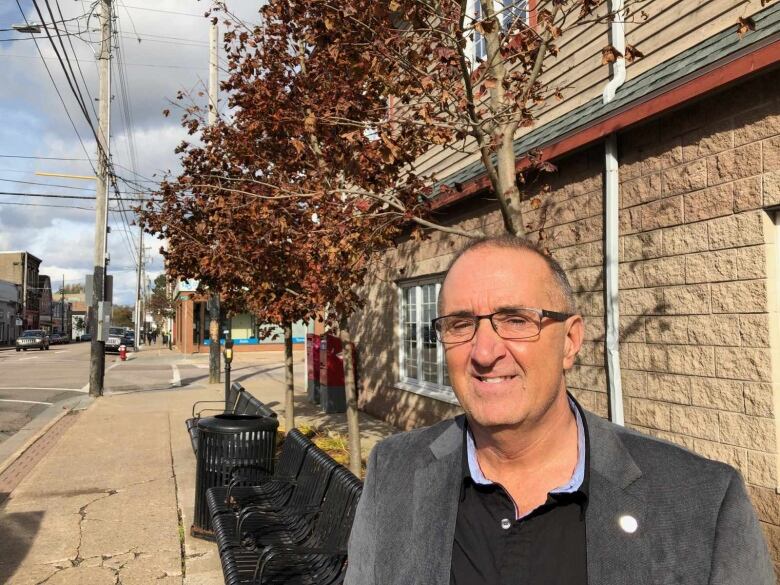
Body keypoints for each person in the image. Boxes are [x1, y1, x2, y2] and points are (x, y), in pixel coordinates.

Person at [345, 235, 773, 585]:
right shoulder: (394, 472)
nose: (485, 351)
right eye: (461, 324)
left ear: (570, 341)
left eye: (515, 320)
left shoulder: (701, 500)